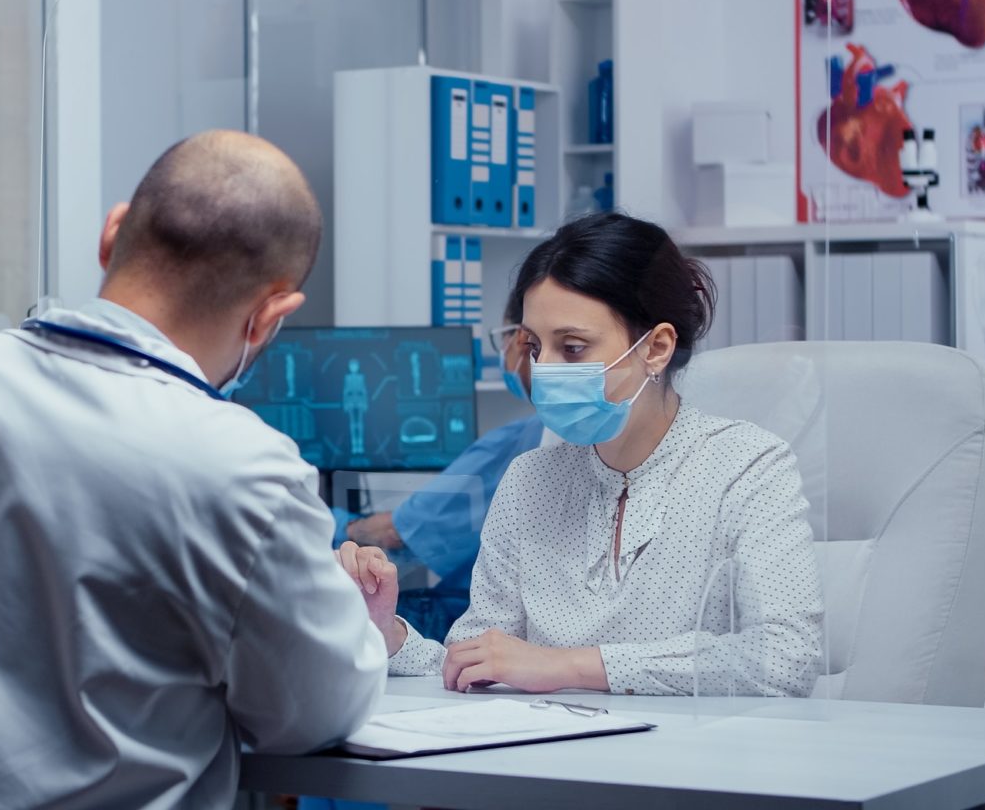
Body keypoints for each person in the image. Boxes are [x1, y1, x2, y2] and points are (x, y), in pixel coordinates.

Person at [0, 130, 389, 809]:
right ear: (271, 314)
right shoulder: (241, 470)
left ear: (112, 234)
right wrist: (355, 626)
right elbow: (312, 714)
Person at [339, 212, 824, 697]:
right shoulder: (530, 479)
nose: (543, 370)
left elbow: (786, 658)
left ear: (655, 348)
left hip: (691, 761)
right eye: (533, 346)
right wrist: (389, 635)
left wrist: (568, 667)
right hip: (548, 755)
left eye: (571, 348)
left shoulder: (748, 467)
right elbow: (479, 660)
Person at [339, 413, 545, 642]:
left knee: (336, 614)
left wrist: (341, 528)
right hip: (490, 624)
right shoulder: (540, 444)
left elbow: (396, 533)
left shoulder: (525, 440)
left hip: (462, 616)